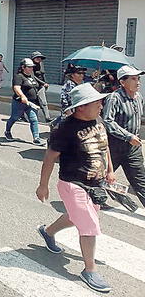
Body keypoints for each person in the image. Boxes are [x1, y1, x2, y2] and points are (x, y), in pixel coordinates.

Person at [36, 83, 114, 293]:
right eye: (96, 101)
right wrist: (43, 185)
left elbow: (104, 146)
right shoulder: (65, 129)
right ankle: (89, 270)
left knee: (74, 217)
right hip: (72, 183)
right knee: (89, 224)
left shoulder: (98, 120)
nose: (101, 104)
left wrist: (110, 170)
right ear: (81, 107)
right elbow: (50, 158)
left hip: (95, 184)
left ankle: (48, 232)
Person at [102, 65, 145, 208]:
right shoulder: (114, 98)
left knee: (140, 179)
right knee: (100, 175)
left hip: (133, 148)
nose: (138, 82)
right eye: (133, 79)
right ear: (122, 82)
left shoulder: (139, 97)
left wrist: (133, 138)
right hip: (114, 146)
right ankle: (96, 200)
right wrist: (128, 136)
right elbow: (108, 121)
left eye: (138, 78)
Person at [5, 58, 44, 145]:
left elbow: (37, 82)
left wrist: (43, 84)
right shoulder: (18, 76)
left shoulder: (31, 76)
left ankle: (36, 138)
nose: (31, 69)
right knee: (14, 118)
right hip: (19, 102)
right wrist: (22, 96)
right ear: (23, 67)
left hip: (31, 103)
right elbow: (16, 88)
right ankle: (7, 131)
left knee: (34, 119)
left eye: (32, 67)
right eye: (29, 67)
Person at [31, 51, 53, 121]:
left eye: (40, 58)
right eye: (37, 58)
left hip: (41, 86)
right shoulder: (30, 65)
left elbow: (43, 74)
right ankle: (24, 115)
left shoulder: (41, 64)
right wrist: (43, 83)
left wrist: (45, 83)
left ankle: (47, 118)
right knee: (31, 102)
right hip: (33, 86)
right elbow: (33, 76)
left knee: (44, 102)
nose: (39, 59)